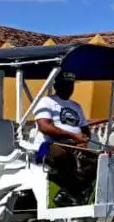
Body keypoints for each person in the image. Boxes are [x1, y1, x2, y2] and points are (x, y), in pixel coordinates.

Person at [33, 72, 97, 205]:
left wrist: (82, 141)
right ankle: (73, 192)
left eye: (71, 85)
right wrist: (73, 136)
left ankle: (67, 193)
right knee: (65, 157)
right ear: (57, 85)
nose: (69, 88)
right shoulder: (46, 101)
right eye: (66, 84)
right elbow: (44, 127)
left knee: (98, 161)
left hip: (73, 146)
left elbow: (85, 130)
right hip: (46, 146)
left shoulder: (76, 106)